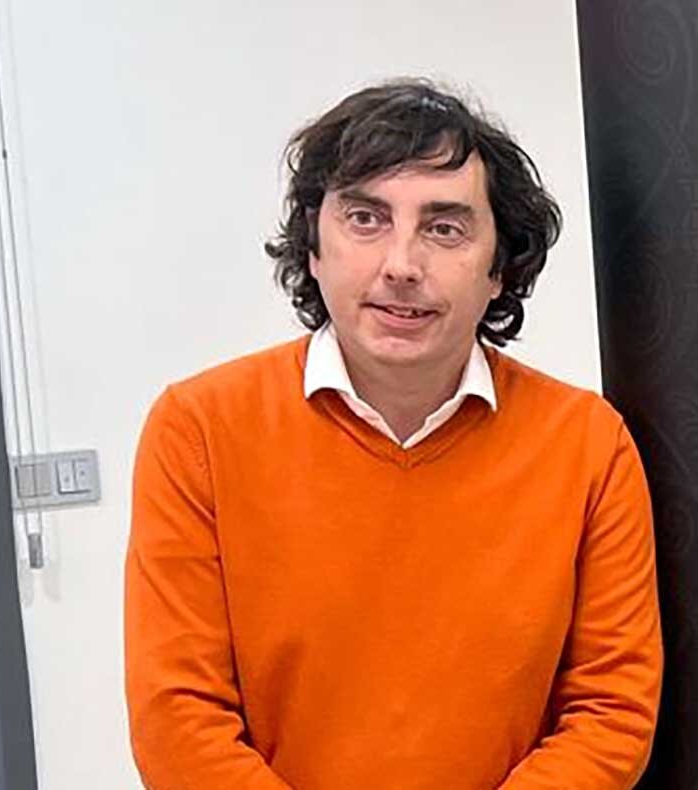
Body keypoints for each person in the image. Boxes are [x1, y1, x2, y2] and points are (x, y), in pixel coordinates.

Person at [124, 79, 663, 789]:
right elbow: (177, 719)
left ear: (499, 268)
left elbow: (612, 708)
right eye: (365, 218)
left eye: (444, 228)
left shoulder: (588, 444)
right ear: (313, 247)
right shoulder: (196, 430)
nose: (402, 265)